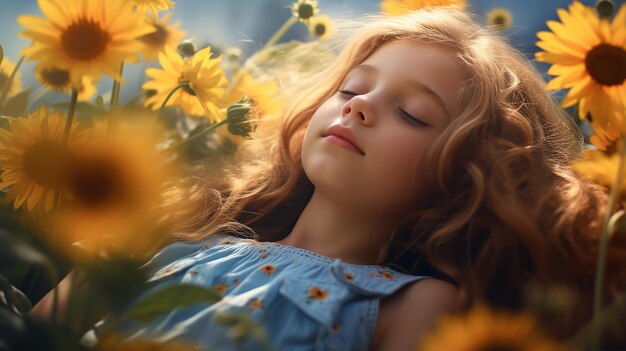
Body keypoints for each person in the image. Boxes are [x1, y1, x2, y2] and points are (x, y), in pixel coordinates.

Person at [33, 6, 622, 351]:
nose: (359, 107)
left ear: (465, 176)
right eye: (351, 87)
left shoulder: (415, 304)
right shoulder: (173, 240)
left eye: (413, 113)